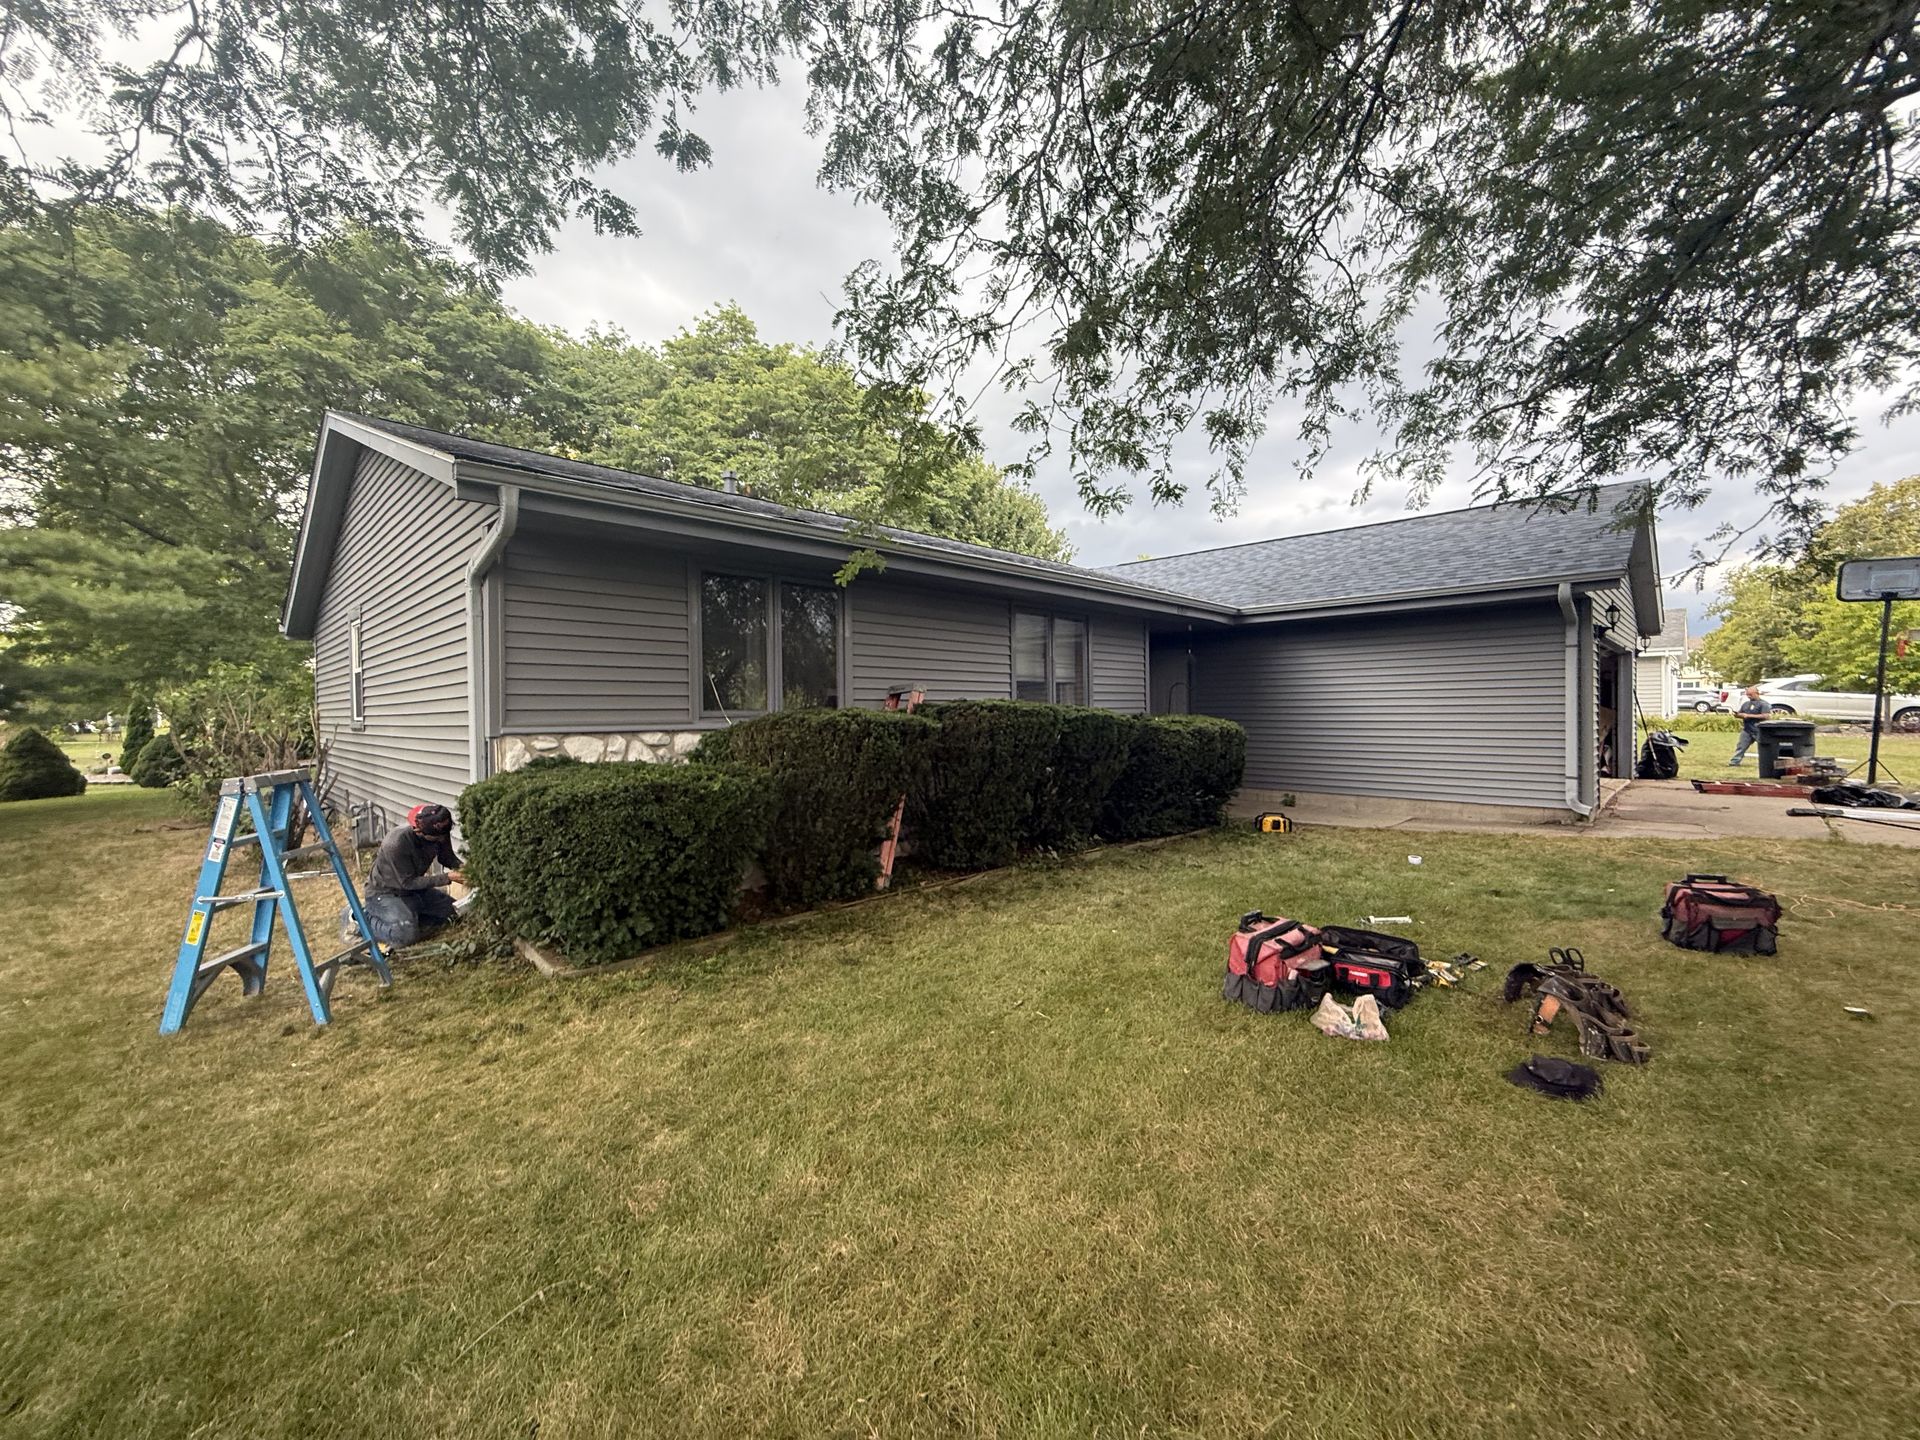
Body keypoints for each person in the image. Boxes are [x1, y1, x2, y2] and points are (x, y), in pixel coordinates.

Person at [361, 803, 465, 945]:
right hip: (385, 893)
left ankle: (408, 918)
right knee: (405, 936)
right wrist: (448, 877)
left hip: (415, 891)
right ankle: (360, 918)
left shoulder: (439, 830)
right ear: (419, 832)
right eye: (436, 839)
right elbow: (407, 882)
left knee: (453, 913)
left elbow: (445, 857)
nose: (441, 840)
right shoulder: (396, 843)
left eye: (443, 835)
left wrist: (464, 869)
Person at [1727, 686, 1773, 766]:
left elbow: (1766, 716)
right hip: (1747, 730)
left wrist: (1748, 716)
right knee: (1741, 746)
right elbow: (1741, 713)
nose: (1749, 696)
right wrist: (1738, 715)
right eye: (1747, 695)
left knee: (1764, 748)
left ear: (1756, 693)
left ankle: (1767, 763)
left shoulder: (1764, 704)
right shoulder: (1746, 704)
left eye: (1750, 694)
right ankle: (1734, 762)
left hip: (1759, 730)